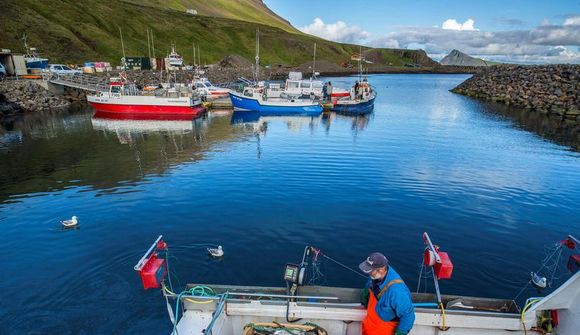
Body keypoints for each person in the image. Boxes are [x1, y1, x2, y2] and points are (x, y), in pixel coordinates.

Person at [359, 252, 415, 335]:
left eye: (370, 271)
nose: (368, 273)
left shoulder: (397, 291)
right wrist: (366, 292)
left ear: (381, 269)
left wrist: (401, 333)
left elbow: (408, 316)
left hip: (383, 330)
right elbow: (370, 283)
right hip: (369, 324)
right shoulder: (377, 275)